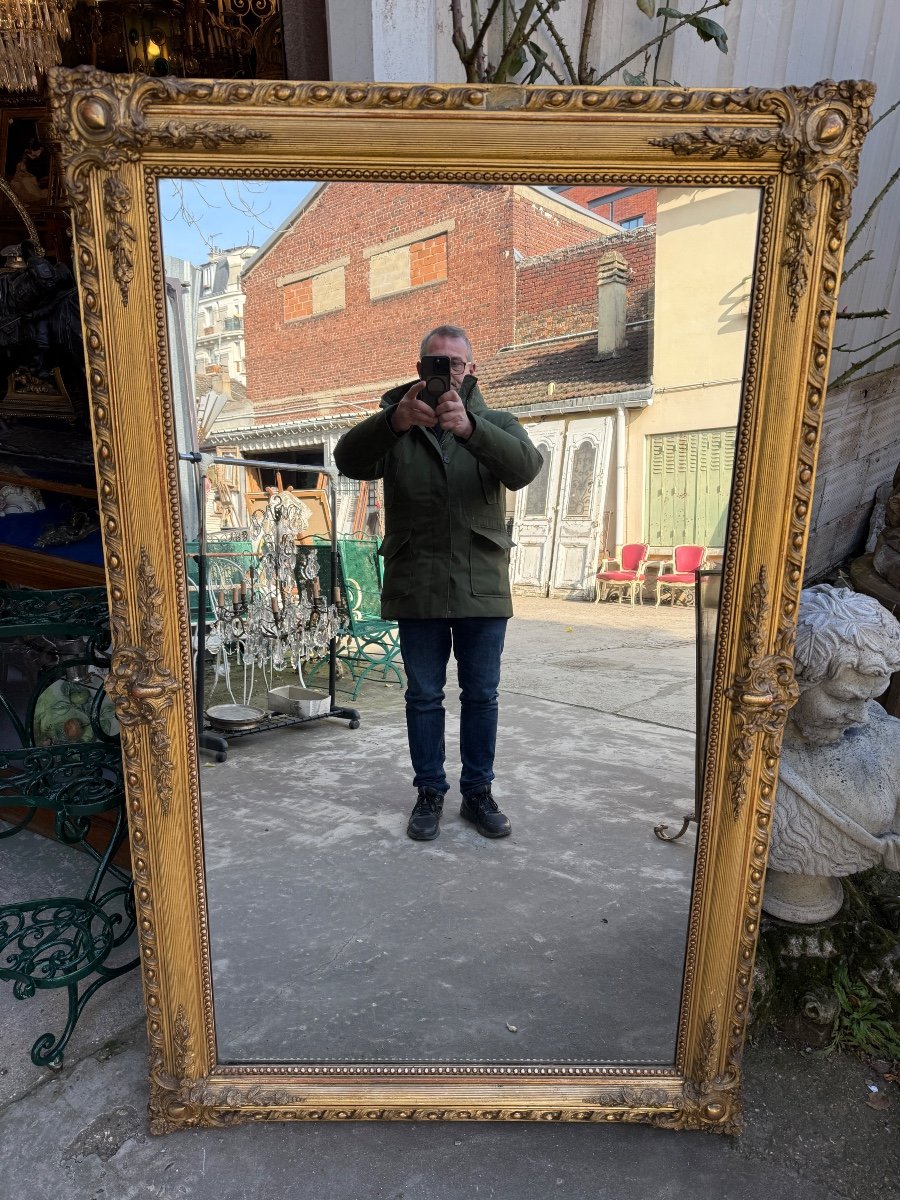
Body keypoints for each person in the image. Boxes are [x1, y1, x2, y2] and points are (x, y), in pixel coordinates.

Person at [333, 325, 543, 841]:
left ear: (470, 369)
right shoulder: (397, 426)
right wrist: (393, 422)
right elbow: (347, 461)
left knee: (481, 696)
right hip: (418, 582)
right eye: (436, 360)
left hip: (481, 583)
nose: (445, 369)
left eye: (455, 362)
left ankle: (478, 793)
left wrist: (473, 430)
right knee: (423, 696)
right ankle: (429, 791)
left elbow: (524, 469)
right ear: (420, 364)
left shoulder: (496, 422)